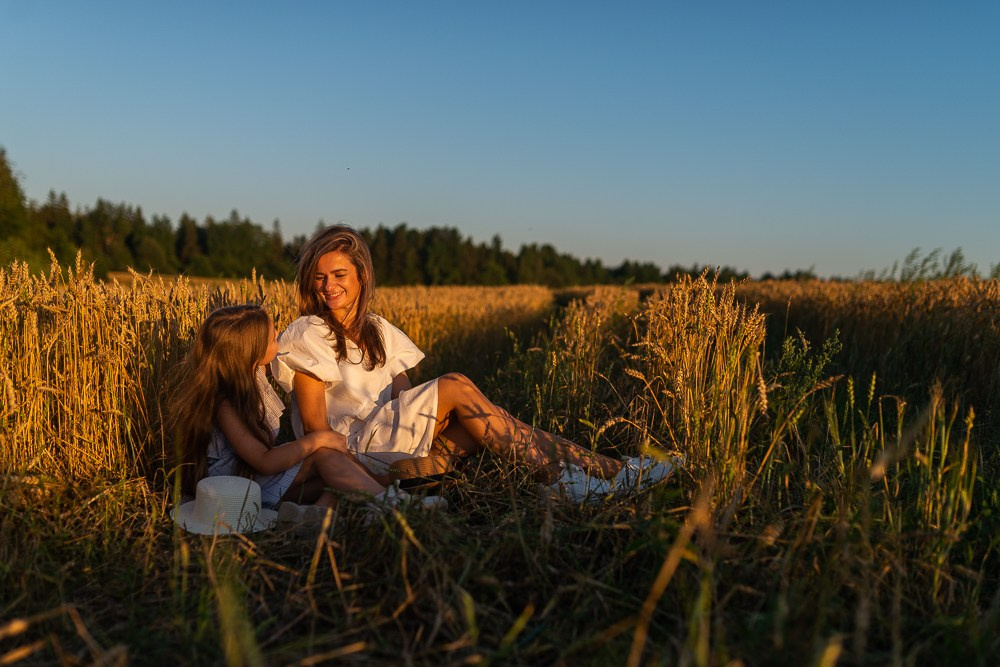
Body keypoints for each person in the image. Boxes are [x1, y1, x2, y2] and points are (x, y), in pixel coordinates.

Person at [271, 225, 676, 503]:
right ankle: (559, 480)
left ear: (362, 276)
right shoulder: (309, 333)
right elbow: (316, 431)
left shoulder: (379, 329)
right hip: (351, 449)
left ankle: (617, 471)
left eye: (339, 274)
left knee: (496, 419)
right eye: (319, 278)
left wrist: (437, 426)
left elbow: (403, 399)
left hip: (391, 437)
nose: (329, 287)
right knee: (456, 385)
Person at [170, 304, 388, 519]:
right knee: (326, 456)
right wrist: (318, 439)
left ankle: (314, 516)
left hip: (253, 478)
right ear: (250, 352)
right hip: (234, 492)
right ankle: (393, 505)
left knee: (336, 478)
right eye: (272, 338)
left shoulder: (253, 375)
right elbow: (265, 461)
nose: (278, 336)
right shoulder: (226, 405)